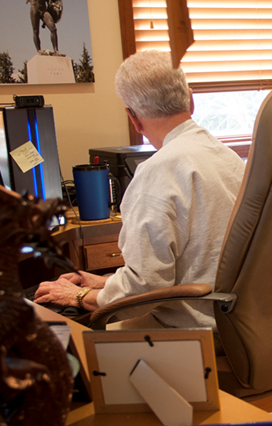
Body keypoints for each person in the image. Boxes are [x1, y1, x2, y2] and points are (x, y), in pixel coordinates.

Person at [34, 51, 246, 341]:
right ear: (191, 100)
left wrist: (80, 294)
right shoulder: (229, 159)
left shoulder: (157, 173)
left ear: (133, 118)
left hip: (195, 330)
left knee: (74, 339)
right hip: (236, 322)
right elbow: (187, 266)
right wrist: (102, 283)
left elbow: (145, 290)